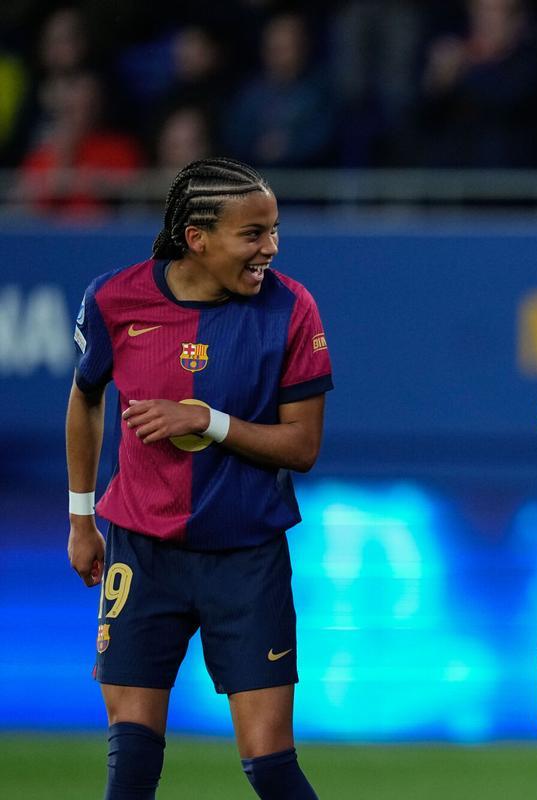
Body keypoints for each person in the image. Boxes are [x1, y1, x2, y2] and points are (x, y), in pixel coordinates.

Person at [65, 157, 332, 800]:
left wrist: (208, 421)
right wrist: (81, 518)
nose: (270, 248)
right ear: (197, 238)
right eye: (253, 234)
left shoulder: (291, 309)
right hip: (142, 551)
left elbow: (302, 447)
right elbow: (85, 397)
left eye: (273, 231)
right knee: (129, 767)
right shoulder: (114, 298)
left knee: (271, 765)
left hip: (247, 557)